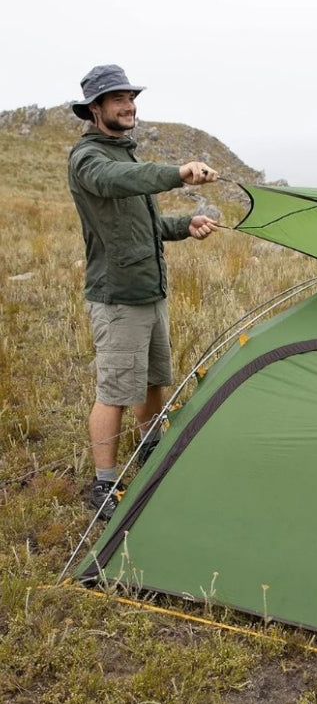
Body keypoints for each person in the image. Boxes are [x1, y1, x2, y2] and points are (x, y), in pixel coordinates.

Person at [68, 64, 220, 519]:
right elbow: (117, 182)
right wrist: (178, 172)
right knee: (115, 389)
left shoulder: (125, 154)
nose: (129, 105)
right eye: (117, 99)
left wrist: (182, 225)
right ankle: (104, 485)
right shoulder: (89, 159)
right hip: (116, 296)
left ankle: (151, 449)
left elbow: (144, 227)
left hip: (149, 291)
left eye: (131, 97)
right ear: (96, 108)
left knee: (153, 380)